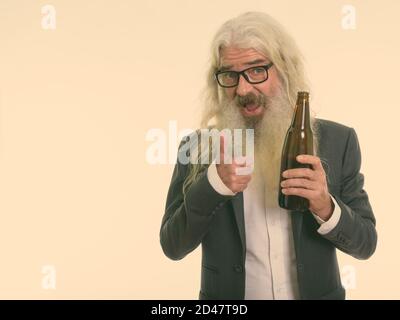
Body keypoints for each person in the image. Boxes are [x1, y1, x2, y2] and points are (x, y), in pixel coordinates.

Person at [159, 11, 377, 300]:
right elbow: (173, 246)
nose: (243, 89)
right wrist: (212, 184)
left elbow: (365, 244)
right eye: (230, 75)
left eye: (256, 70)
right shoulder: (198, 147)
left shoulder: (338, 141)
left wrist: (325, 207)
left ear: (285, 70)